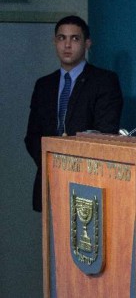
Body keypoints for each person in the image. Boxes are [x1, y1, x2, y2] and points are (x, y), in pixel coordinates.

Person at [24, 15, 123, 212]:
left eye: (74, 39)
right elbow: (32, 136)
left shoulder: (103, 81)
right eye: (61, 38)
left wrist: (72, 166)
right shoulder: (44, 85)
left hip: (88, 181)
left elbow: (105, 133)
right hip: (49, 179)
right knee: (50, 241)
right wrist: (52, 163)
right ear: (55, 42)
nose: (67, 45)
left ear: (87, 43)